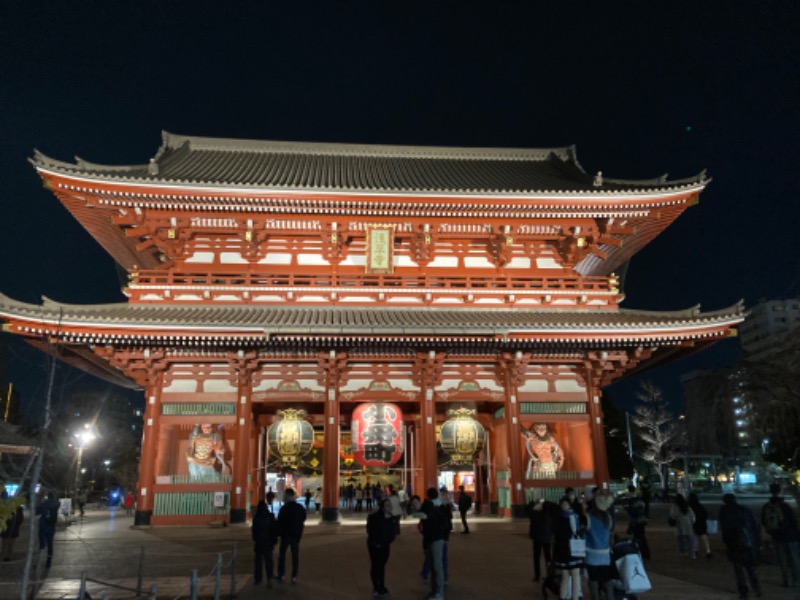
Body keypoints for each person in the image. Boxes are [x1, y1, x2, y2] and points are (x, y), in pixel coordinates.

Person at [719, 493, 761, 599]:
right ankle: (757, 588)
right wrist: (756, 542)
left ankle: (743, 592)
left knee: (738, 570)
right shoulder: (744, 509)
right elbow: (754, 526)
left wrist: (726, 542)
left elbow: (725, 529)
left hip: (733, 544)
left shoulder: (724, 511)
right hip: (747, 543)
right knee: (750, 568)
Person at [760, 482, 800, 588]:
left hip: (777, 537)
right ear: (780, 491)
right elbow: (793, 521)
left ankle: (786, 580)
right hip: (791, 537)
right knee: (794, 558)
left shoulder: (767, 506)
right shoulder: (785, 506)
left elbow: (764, 521)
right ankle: (796, 580)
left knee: (782, 560)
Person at [584, 490, 615, 600]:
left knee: (593, 579)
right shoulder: (608, 517)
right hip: (605, 553)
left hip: (591, 553)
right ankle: (610, 597)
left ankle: (595, 598)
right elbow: (610, 531)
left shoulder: (588, 517)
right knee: (607, 578)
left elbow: (583, 534)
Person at [553, 495, 585, 600]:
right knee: (573, 576)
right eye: (563, 504)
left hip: (563, 550)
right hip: (572, 549)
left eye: (565, 504)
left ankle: (564, 597)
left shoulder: (558, 517)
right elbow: (578, 532)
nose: (564, 506)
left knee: (567, 576)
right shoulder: (574, 517)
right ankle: (573, 597)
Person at [421, 487, 449, 600]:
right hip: (437, 537)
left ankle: (439, 592)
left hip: (435, 538)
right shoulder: (442, 506)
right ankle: (435, 591)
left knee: (437, 566)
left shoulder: (429, 506)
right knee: (435, 565)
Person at [366, 497, 397, 597]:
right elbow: (370, 531)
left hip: (385, 546)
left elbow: (393, 534)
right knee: (375, 565)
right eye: (387, 505)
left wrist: (386, 542)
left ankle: (382, 586)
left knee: (382, 566)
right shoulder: (374, 517)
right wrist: (377, 543)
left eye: (390, 505)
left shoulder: (393, 518)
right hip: (374, 545)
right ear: (382, 507)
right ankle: (376, 587)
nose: (390, 507)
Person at [276, 488, 306, 583]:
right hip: (296, 534)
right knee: (295, 556)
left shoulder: (284, 508)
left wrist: (278, 533)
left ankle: (282, 574)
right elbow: (303, 518)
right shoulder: (300, 507)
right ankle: (294, 576)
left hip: (285, 535)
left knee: (282, 555)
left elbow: (280, 522)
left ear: (287, 496)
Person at [526, 497, 556, 582]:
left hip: (537, 538)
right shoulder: (551, 516)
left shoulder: (535, 514)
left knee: (536, 557)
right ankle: (550, 574)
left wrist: (535, 502)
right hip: (547, 539)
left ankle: (537, 575)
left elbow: (527, 509)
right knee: (548, 557)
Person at [251, 500, 277, 586]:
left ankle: (258, 578)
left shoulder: (256, 517)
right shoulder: (270, 516)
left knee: (258, 561)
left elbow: (254, 530)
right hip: (268, 542)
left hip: (259, 542)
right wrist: (274, 540)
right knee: (268, 560)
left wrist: (255, 538)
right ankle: (269, 578)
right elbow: (274, 530)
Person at [624, 485, 650, 560]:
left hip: (636, 522)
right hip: (641, 521)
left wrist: (628, 509)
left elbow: (634, 513)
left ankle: (642, 553)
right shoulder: (639, 500)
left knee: (638, 538)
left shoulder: (633, 501)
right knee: (641, 537)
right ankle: (644, 553)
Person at [36, 491, 61, 567]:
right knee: (50, 544)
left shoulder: (44, 504)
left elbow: (36, 512)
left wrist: (39, 501)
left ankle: (40, 561)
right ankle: (48, 561)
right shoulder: (56, 504)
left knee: (42, 544)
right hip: (52, 527)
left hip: (43, 526)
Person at [1, 491, 24, 561]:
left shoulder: (18, 508)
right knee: (4, 542)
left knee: (10, 543)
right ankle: (3, 555)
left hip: (12, 528)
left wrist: (16, 523)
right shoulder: (3, 505)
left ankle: (8, 556)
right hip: (6, 527)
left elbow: (20, 518)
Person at [688, 492, 712, 559]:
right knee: (704, 538)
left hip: (693, 524)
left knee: (695, 538)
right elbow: (705, 515)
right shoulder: (700, 506)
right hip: (701, 524)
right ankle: (708, 551)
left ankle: (695, 551)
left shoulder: (689, 507)